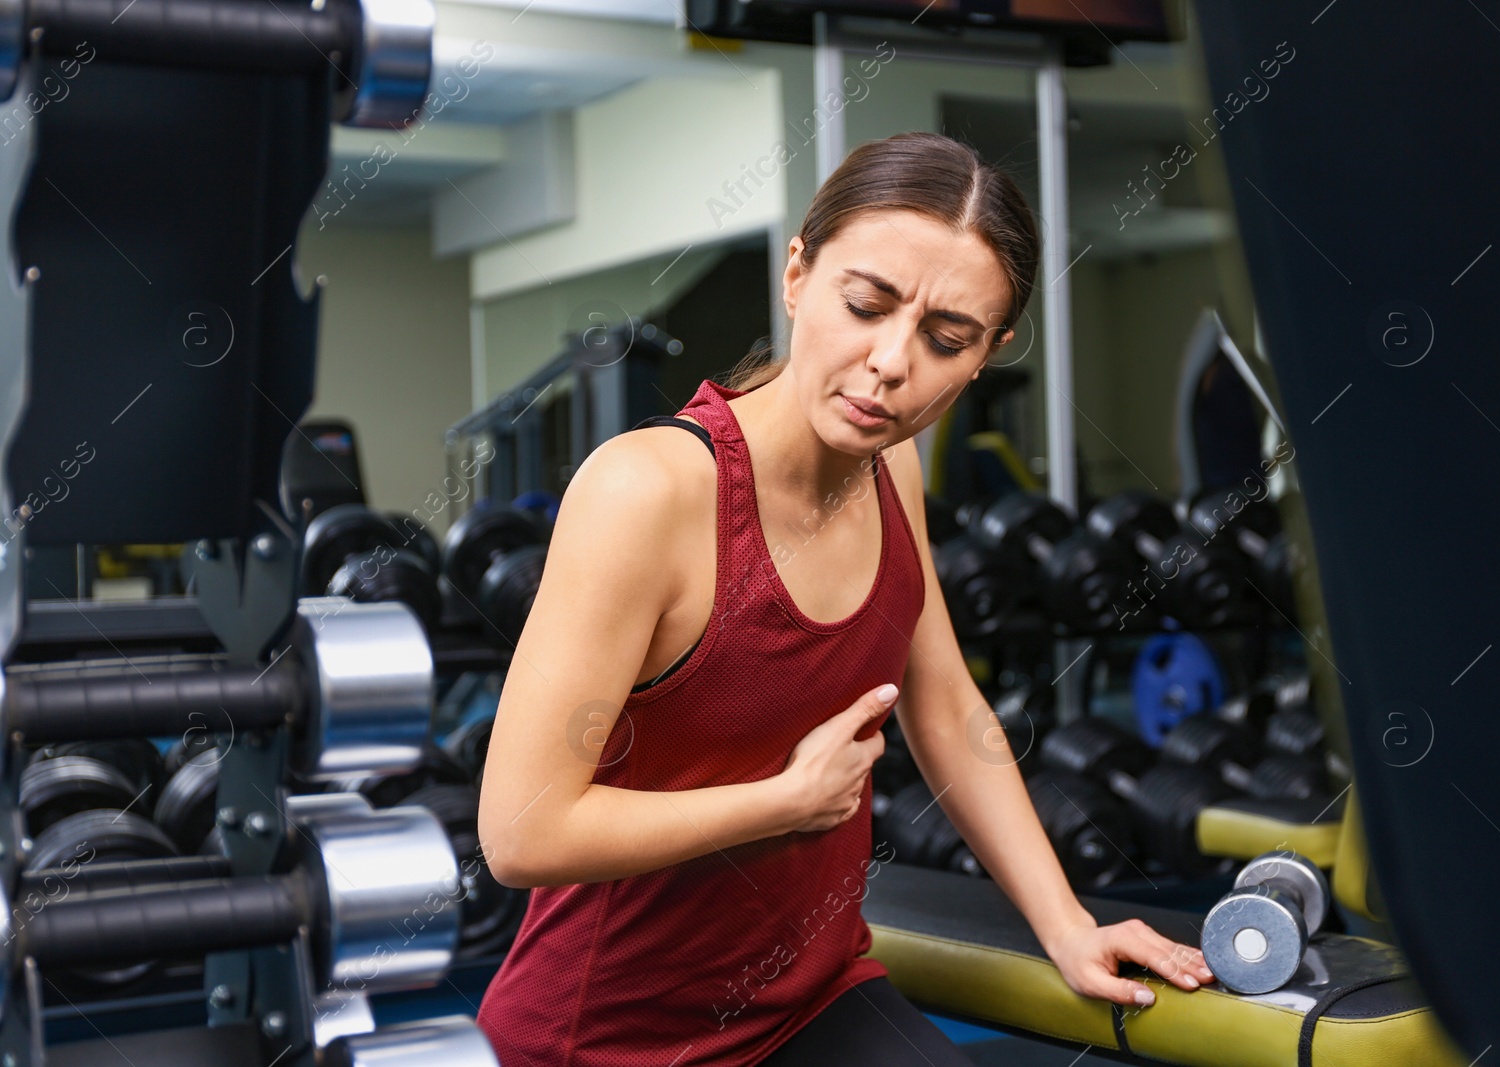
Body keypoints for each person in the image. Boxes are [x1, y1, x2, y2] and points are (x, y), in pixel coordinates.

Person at [476, 131, 1214, 1067]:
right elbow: (520, 829)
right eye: (864, 305)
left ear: (989, 352)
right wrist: (783, 801)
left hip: (810, 997)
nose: (891, 363)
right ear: (797, 274)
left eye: (948, 339)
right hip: (609, 1035)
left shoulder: (889, 467)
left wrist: (1068, 923)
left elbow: (944, 702)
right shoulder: (647, 492)